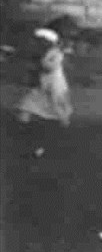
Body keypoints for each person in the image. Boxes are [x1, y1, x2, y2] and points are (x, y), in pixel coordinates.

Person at [14, 28, 72, 159]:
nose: (38, 43)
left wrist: (38, 63)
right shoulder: (41, 53)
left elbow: (49, 67)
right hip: (42, 87)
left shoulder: (56, 53)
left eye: (42, 40)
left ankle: (54, 140)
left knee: (58, 112)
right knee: (24, 111)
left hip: (54, 86)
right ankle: (29, 142)